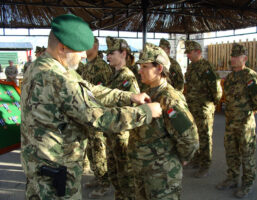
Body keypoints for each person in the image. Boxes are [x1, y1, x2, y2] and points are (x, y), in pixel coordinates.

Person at [20, 14, 162, 200]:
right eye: (79, 51)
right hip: (57, 173)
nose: (83, 56)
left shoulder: (38, 67)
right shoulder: (59, 79)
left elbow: (89, 89)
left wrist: (129, 96)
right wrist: (146, 112)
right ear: (62, 48)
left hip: (38, 166)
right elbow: (101, 119)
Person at [128, 43, 199, 199]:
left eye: (145, 67)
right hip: (143, 171)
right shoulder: (147, 93)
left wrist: (180, 159)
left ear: (159, 69)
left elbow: (190, 139)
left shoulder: (169, 99)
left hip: (162, 176)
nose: (139, 71)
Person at [216, 43, 257, 198]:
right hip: (230, 123)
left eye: (236, 56)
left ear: (244, 58)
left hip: (245, 125)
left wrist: (250, 111)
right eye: (232, 56)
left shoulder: (250, 76)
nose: (233, 59)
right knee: (231, 152)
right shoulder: (230, 77)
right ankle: (232, 178)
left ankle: (247, 183)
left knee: (247, 154)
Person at [105, 36, 140, 200]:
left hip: (122, 136)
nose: (108, 56)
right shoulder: (115, 76)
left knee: (126, 176)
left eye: (112, 53)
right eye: (107, 53)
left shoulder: (128, 78)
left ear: (124, 53)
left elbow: (134, 110)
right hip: (112, 133)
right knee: (115, 174)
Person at [77, 37, 113, 198]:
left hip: (98, 116)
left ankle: (105, 183)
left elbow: (104, 94)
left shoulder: (101, 67)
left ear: (96, 46)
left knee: (99, 150)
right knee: (91, 151)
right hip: (87, 115)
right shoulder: (86, 66)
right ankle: (98, 178)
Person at [184, 40, 222, 178]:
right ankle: (197, 159)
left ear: (198, 52)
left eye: (189, 52)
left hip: (204, 108)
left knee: (205, 136)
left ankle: (205, 164)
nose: (187, 55)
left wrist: (212, 104)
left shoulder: (207, 67)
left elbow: (216, 88)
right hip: (192, 107)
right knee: (195, 134)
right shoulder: (191, 67)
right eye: (186, 52)